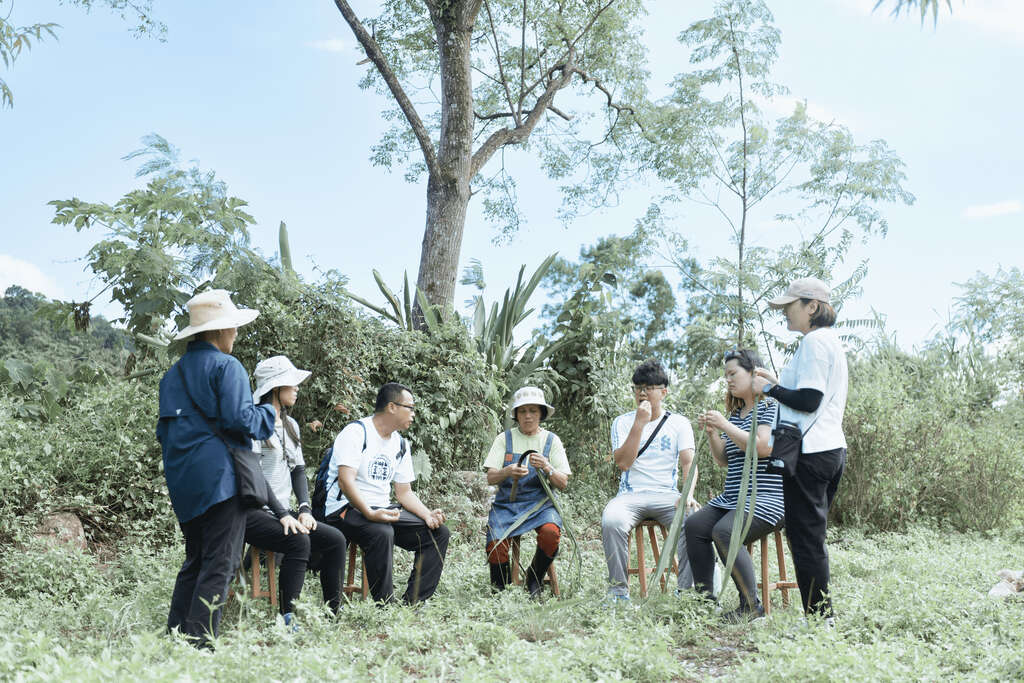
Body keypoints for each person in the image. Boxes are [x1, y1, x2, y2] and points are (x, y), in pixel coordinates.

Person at [157, 289, 276, 648]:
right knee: (220, 564)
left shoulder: (171, 377)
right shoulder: (228, 367)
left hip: (184, 483)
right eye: (233, 328)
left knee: (195, 560)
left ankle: (176, 636)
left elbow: (165, 433)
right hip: (223, 481)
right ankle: (199, 645)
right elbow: (241, 420)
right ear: (220, 331)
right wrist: (269, 412)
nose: (235, 335)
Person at [751, 277, 848, 622]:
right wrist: (777, 383)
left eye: (789, 307)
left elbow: (809, 400)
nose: (784, 314)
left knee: (805, 539)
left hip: (810, 454)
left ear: (812, 306)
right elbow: (811, 396)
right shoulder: (829, 342)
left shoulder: (814, 343)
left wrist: (769, 390)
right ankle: (821, 617)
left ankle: (821, 621)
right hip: (830, 448)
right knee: (811, 537)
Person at [322, 382, 450, 604]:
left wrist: (427, 515)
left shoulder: (400, 444)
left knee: (438, 534)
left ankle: (414, 603)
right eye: (410, 407)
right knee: (382, 532)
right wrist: (370, 513)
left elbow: (404, 493)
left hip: (382, 509)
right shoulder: (356, 432)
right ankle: (385, 604)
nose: (413, 414)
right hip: (345, 509)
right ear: (392, 407)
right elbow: (345, 481)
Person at [245, 355, 348, 623]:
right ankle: (287, 618)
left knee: (335, 539)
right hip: (256, 511)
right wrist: (282, 514)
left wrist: (303, 509)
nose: (297, 388)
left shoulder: (291, 425)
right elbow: (255, 475)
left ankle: (332, 612)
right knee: (298, 540)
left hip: (284, 511)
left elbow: (298, 470)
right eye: (291, 383)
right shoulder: (254, 424)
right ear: (276, 388)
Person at [688, 349, 782, 621]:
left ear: (754, 373)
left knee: (724, 531)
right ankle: (706, 601)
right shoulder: (738, 413)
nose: (728, 380)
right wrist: (713, 432)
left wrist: (725, 425)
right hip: (733, 498)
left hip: (767, 498)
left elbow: (762, 447)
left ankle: (751, 607)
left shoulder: (770, 407)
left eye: (733, 374)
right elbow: (722, 460)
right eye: (725, 375)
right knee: (694, 525)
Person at [601, 359, 699, 601]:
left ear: (663, 392)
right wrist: (639, 424)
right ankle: (618, 593)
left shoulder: (679, 423)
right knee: (611, 520)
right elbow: (623, 463)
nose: (642, 393)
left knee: (695, 519)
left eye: (648, 387)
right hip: (630, 496)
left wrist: (687, 494)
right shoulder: (622, 422)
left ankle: (685, 592)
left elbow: (689, 462)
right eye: (638, 387)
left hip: (667, 494)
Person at [483, 386, 571, 598]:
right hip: (507, 505)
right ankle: (500, 590)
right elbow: (490, 477)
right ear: (516, 415)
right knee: (495, 543)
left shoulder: (552, 441)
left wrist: (547, 467)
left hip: (541, 505)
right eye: (522, 411)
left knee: (551, 533)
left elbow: (563, 483)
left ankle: (534, 577)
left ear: (541, 413)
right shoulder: (504, 439)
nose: (528, 416)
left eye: (533, 410)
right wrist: (507, 471)